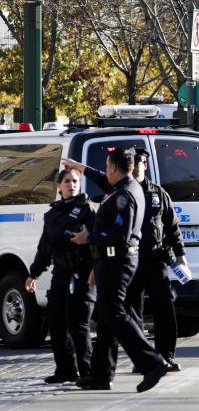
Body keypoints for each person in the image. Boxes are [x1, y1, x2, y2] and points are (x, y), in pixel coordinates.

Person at [64, 149, 188, 373]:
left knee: (159, 308)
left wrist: (181, 257)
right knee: (128, 311)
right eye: (136, 162)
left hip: (153, 257)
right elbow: (101, 177)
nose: (139, 166)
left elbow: (171, 227)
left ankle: (161, 356)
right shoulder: (122, 188)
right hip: (131, 260)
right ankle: (136, 362)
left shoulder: (148, 194)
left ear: (144, 166)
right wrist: (79, 166)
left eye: (142, 163)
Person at [25, 169, 97, 384]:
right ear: (59, 185)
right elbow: (45, 248)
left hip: (83, 272)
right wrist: (34, 274)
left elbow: (100, 241)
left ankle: (87, 371)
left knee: (78, 322)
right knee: (56, 322)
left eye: (75, 181)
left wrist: (96, 269)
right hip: (61, 273)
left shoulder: (89, 209)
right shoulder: (52, 214)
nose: (71, 185)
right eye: (67, 181)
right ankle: (65, 369)